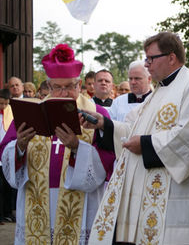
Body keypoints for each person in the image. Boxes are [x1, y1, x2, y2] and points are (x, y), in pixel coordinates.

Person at [85, 32, 189, 245]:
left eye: (151, 58)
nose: (147, 65)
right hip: (155, 196)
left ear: (171, 57)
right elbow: (135, 129)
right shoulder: (159, 92)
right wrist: (104, 124)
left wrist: (145, 144)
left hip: (178, 197)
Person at [0, 44, 115, 245]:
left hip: (81, 201)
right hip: (35, 198)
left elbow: (108, 160)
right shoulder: (31, 110)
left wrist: (77, 147)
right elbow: (5, 151)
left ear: (79, 85)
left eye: (69, 86)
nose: (63, 93)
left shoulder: (96, 113)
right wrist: (19, 145)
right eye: (57, 87)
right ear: (49, 86)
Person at [0, 89, 13, 225]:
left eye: (5, 104)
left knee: (8, 184)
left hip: (6, 153)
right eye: (0, 103)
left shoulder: (11, 112)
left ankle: (8, 213)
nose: (3, 106)